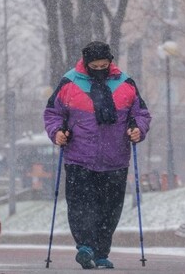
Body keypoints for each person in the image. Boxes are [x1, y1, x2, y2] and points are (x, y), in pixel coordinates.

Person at [44, 41, 151, 269]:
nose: (100, 68)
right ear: (86, 63)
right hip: (79, 158)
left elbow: (140, 113)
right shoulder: (70, 82)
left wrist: (137, 129)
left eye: (104, 64)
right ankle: (85, 246)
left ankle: (101, 252)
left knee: (110, 209)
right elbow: (53, 113)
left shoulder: (125, 83)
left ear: (110, 61)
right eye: (96, 65)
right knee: (81, 205)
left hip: (115, 159)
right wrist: (57, 132)